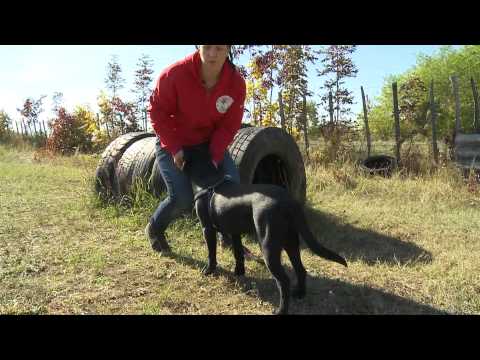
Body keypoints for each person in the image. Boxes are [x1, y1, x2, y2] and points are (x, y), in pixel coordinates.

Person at [145, 45, 246, 253]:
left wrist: (215, 154)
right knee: (182, 199)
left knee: (231, 187)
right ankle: (155, 228)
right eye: (207, 47)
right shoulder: (174, 74)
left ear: (228, 50)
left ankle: (226, 235)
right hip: (174, 141)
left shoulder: (236, 83)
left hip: (208, 143)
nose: (212, 54)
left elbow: (229, 125)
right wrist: (174, 148)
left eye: (219, 48)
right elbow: (156, 111)